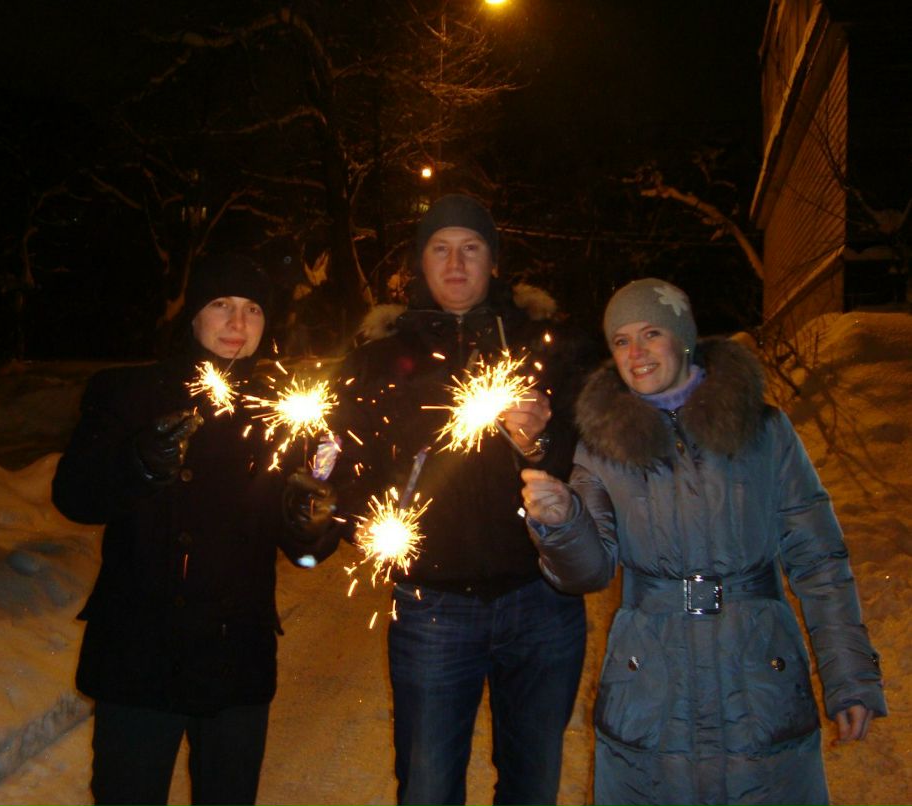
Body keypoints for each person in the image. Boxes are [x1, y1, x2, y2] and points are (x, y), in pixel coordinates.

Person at [521, 277, 887, 806]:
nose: (636, 352)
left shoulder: (764, 432)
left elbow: (820, 560)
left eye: (651, 333)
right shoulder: (601, 449)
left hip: (758, 680)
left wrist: (849, 675)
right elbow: (589, 571)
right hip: (650, 686)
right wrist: (561, 524)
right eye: (621, 340)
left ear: (683, 337)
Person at [328, 194, 600, 805]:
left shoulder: (545, 345)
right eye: (440, 248)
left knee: (532, 786)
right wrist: (367, 520)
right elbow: (342, 470)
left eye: (471, 248)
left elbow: (592, 462)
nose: (456, 263)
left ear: (494, 261)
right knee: (426, 786)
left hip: (541, 602)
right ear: (420, 262)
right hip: (432, 608)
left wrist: (542, 442)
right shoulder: (379, 359)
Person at [51, 254, 339, 806]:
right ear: (192, 315)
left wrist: (311, 527)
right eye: (221, 305)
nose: (237, 323)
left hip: (235, 657)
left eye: (253, 309)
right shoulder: (126, 393)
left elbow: (305, 552)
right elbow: (75, 497)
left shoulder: (287, 413)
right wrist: (137, 463)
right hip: (140, 654)